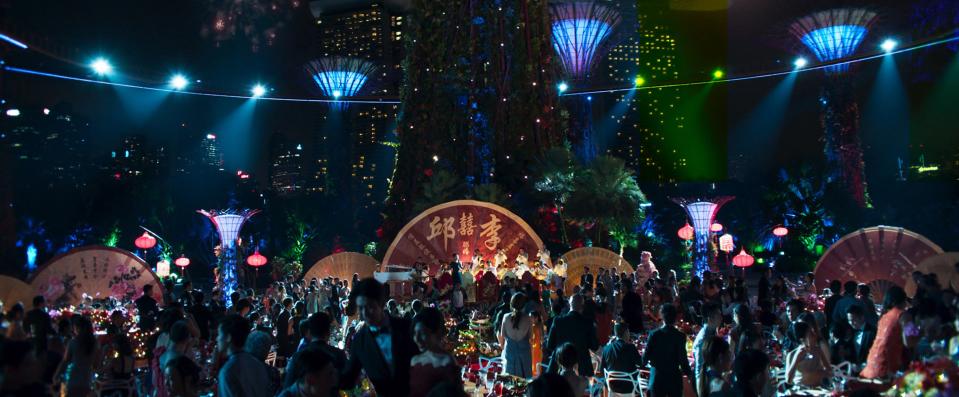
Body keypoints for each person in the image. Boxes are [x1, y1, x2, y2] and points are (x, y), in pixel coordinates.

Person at [341, 278, 418, 397]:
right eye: (361, 308)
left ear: (381, 303)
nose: (365, 314)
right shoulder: (359, 341)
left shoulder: (406, 327)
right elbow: (349, 378)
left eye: (369, 307)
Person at [643, 304, 695, 397]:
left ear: (662, 316)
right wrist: (689, 374)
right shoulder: (680, 336)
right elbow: (683, 360)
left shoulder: (654, 335)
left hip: (657, 378)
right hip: (673, 378)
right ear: (675, 318)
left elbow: (645, 358)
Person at [285, 312, 347, 388]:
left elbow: (287, 386)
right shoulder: (338, 355)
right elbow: (348, 384)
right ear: (328, 332)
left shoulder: (297, 357)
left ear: (310, 332)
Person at [409, 307, 461, 397]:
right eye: (415, 333)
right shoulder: (415, 360)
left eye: (422, 333)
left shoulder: (447, 361)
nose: (417, 339)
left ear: (437, 332)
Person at [217, 314, 273, 397]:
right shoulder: (258, 364)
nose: (217, 338)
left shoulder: (228, 371)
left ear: (228, 337)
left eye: (219, 334)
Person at [860, 286, 908, 379]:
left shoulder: (884, 316)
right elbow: (909, 341)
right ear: (903, 300)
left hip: (872, 364)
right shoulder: (902, 315)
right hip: (887, 368)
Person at [545, 294, 598, 377]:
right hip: (581, 368)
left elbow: (550, 345)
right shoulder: (588, 323)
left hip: (559, 367)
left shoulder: (558, 321)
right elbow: (595, 346)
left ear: (569, 304)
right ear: (582, 306)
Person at [53, 316, 97, 397]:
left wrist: (56, 375)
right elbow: (95, 362)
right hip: (87, 378)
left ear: (78, 328)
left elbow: (65, 361)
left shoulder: (73, 342)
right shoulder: (94, 343)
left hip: (73, 377)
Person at [600, 322, 643, 394]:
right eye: (628, 331)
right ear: (626, 332)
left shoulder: (606, 348)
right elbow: (640, 364)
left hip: (611, 386)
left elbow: (602, 370)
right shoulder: (631, 348)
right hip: (630, 386)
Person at [785, 321, 830, 388]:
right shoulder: (792, 355)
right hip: (800, 390)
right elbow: (788, 380)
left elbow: (829, 370)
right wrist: (796, 360)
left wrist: (822, 373)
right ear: (802, 340)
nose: (815, 336)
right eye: (811, 334)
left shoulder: (818, 350)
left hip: (818, 388)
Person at [498, 292, 533, 379]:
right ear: (524, 305)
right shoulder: (528, 319)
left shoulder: (506, 317)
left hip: (510, 352)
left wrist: (503, 348)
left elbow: (502, 336)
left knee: (509, 380)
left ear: (511, 303)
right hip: (524, 354)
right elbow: (530, 337)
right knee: (525, 381)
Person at [693, 303, 721, 388]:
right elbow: (699, 370)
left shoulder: (712, 331)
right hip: (706, 384)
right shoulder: (703, 339)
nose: (721, 317)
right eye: (718, 315)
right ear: (710, 319)